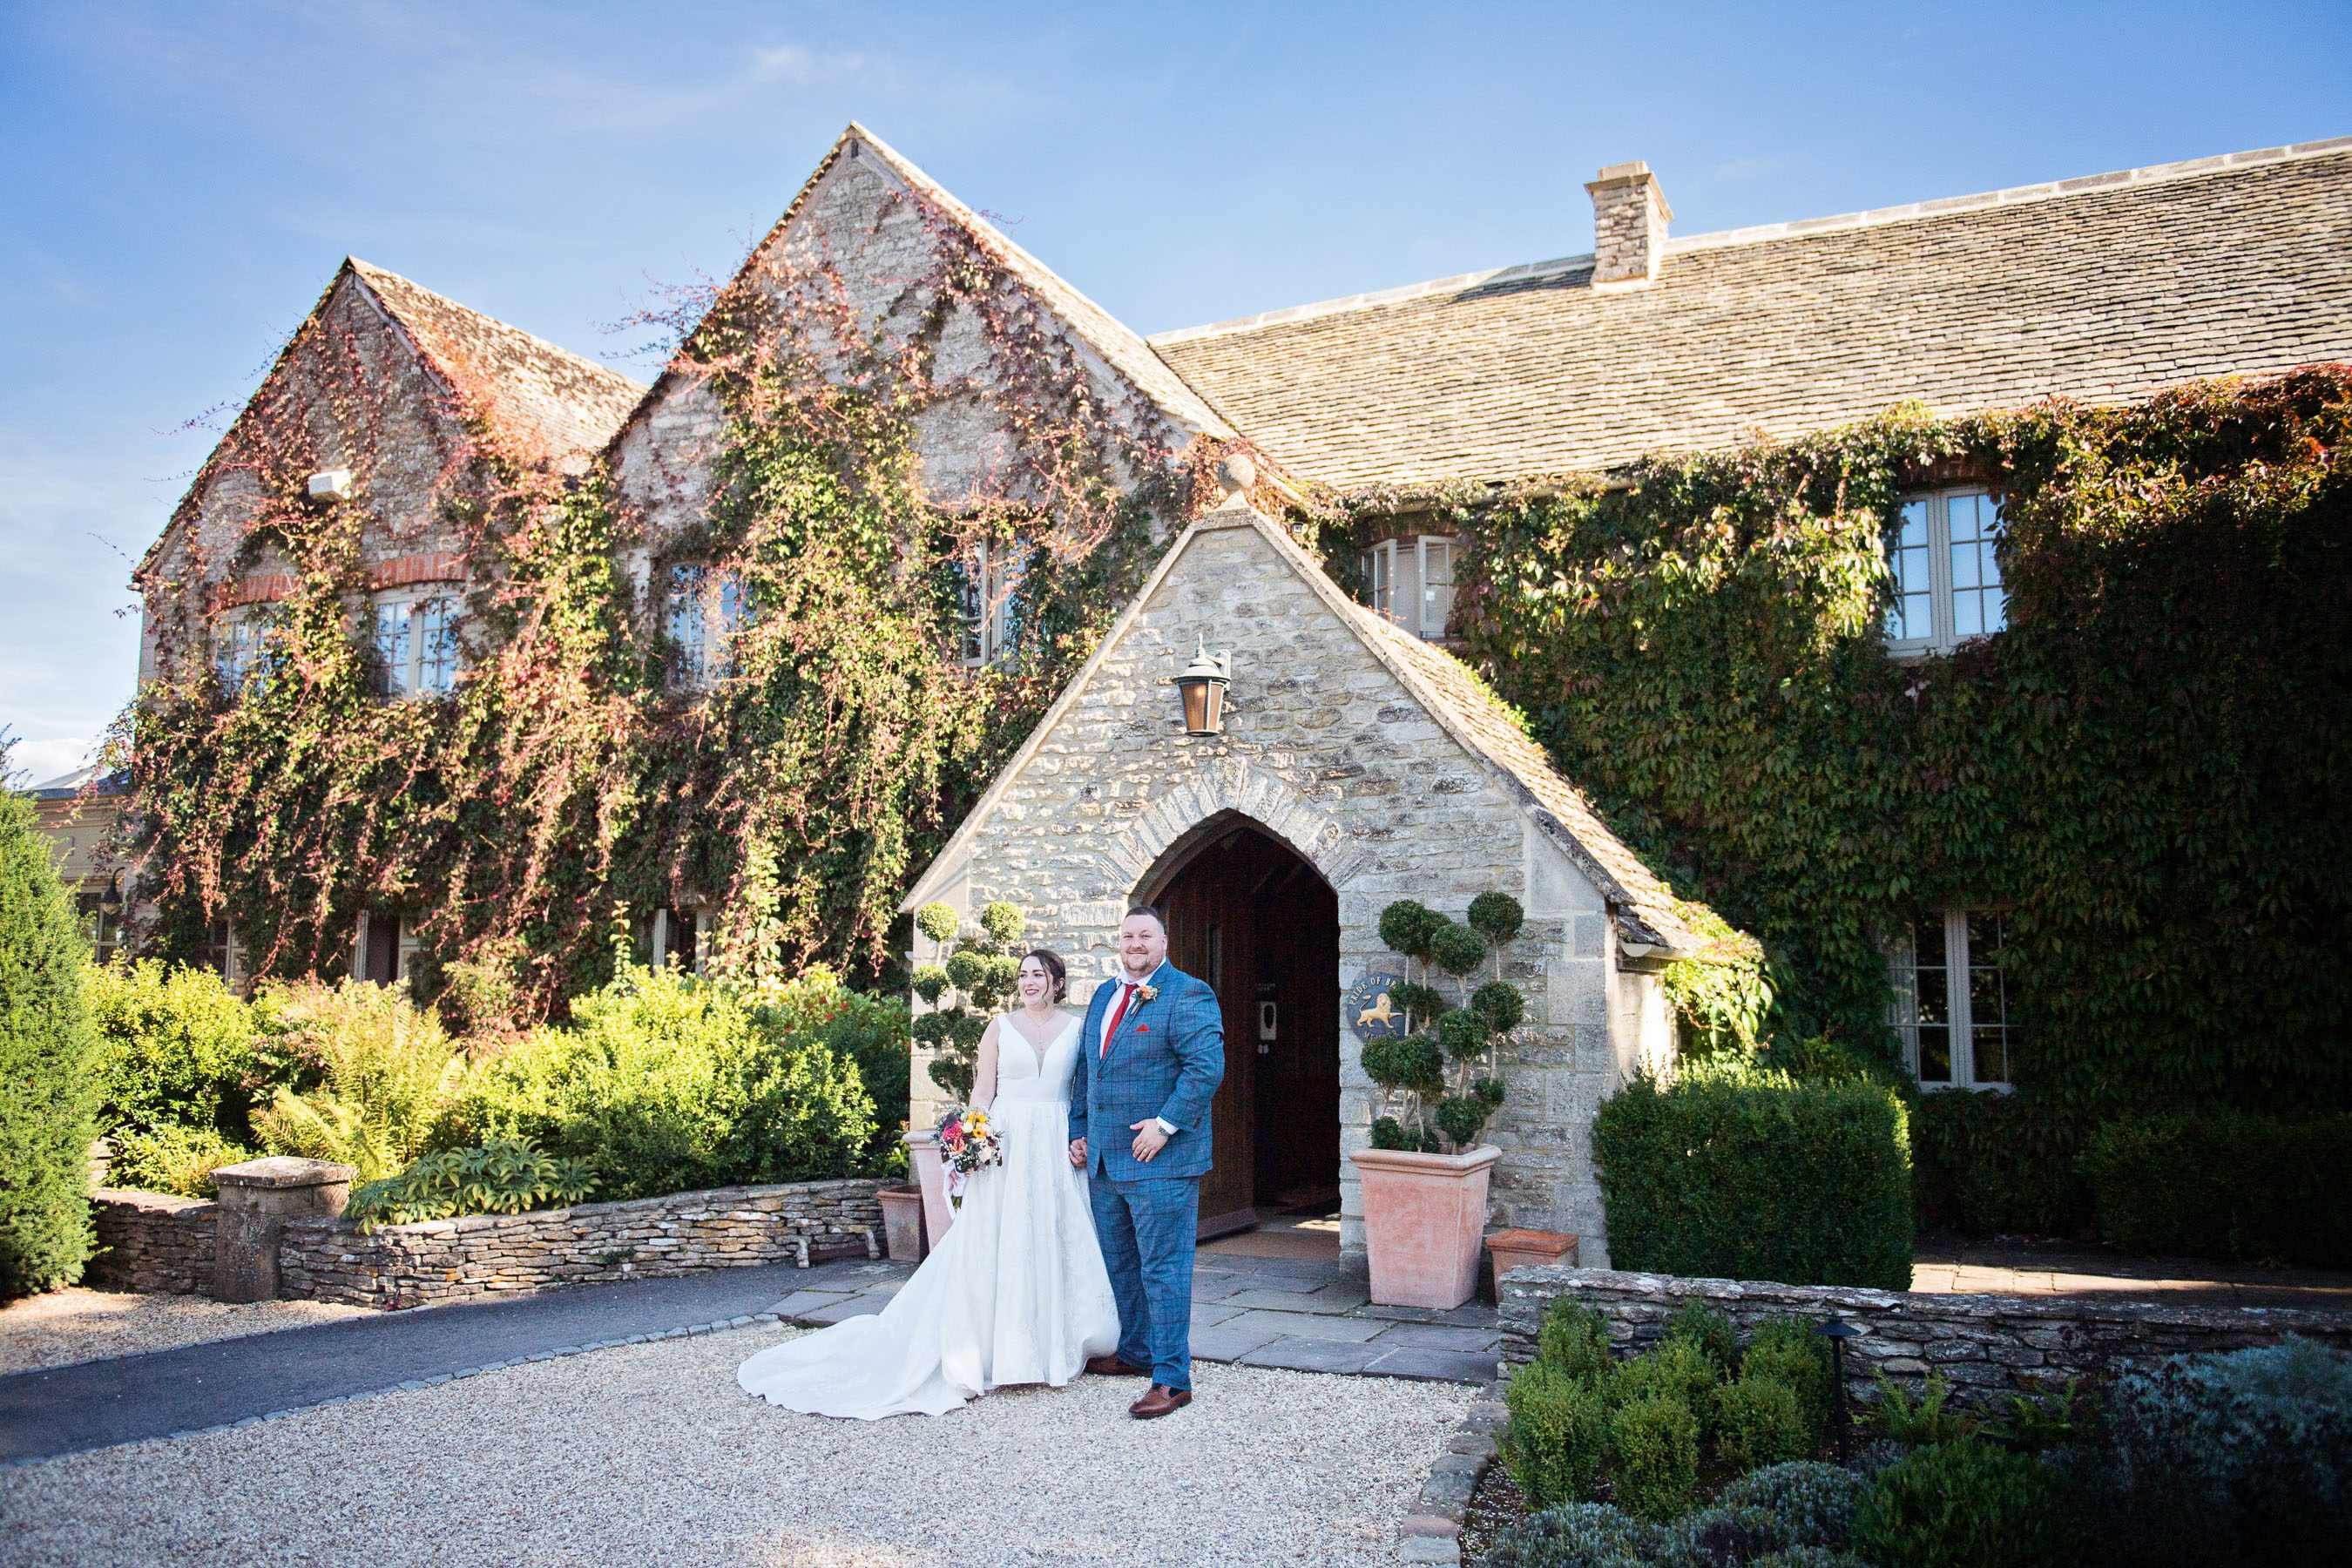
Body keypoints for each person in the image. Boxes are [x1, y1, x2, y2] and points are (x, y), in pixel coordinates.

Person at [737, 948, 1118, 1419]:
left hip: (1054, 1142)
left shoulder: (1078, 1029)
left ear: (1058, 982)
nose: (1029, 982)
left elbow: (1086, 1092)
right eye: (1023, 975)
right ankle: (998, 1348)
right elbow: (983, 1090)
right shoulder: (1000, 1027)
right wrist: (972, 1139)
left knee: (1053, 1234)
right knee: (999, 1239)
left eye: (1038, 974)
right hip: (1006, 1142)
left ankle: (1055, 1344)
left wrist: (1082, 1136)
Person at [1067, 905, 1226, 1419]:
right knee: (1122, 1265)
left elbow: (1207, 1068)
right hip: (1105, 1163)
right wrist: (1079, 1131)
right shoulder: (1104, 995)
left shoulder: (1188, 993)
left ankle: (1172, 1378)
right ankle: (1136, 1352)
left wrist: (1166, 1124)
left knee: (1164, 1269)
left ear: (1164, 943)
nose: (1135, 944)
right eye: (1127, 936)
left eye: (1145, 936)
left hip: (1162, 1160)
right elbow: (1088, 1070)